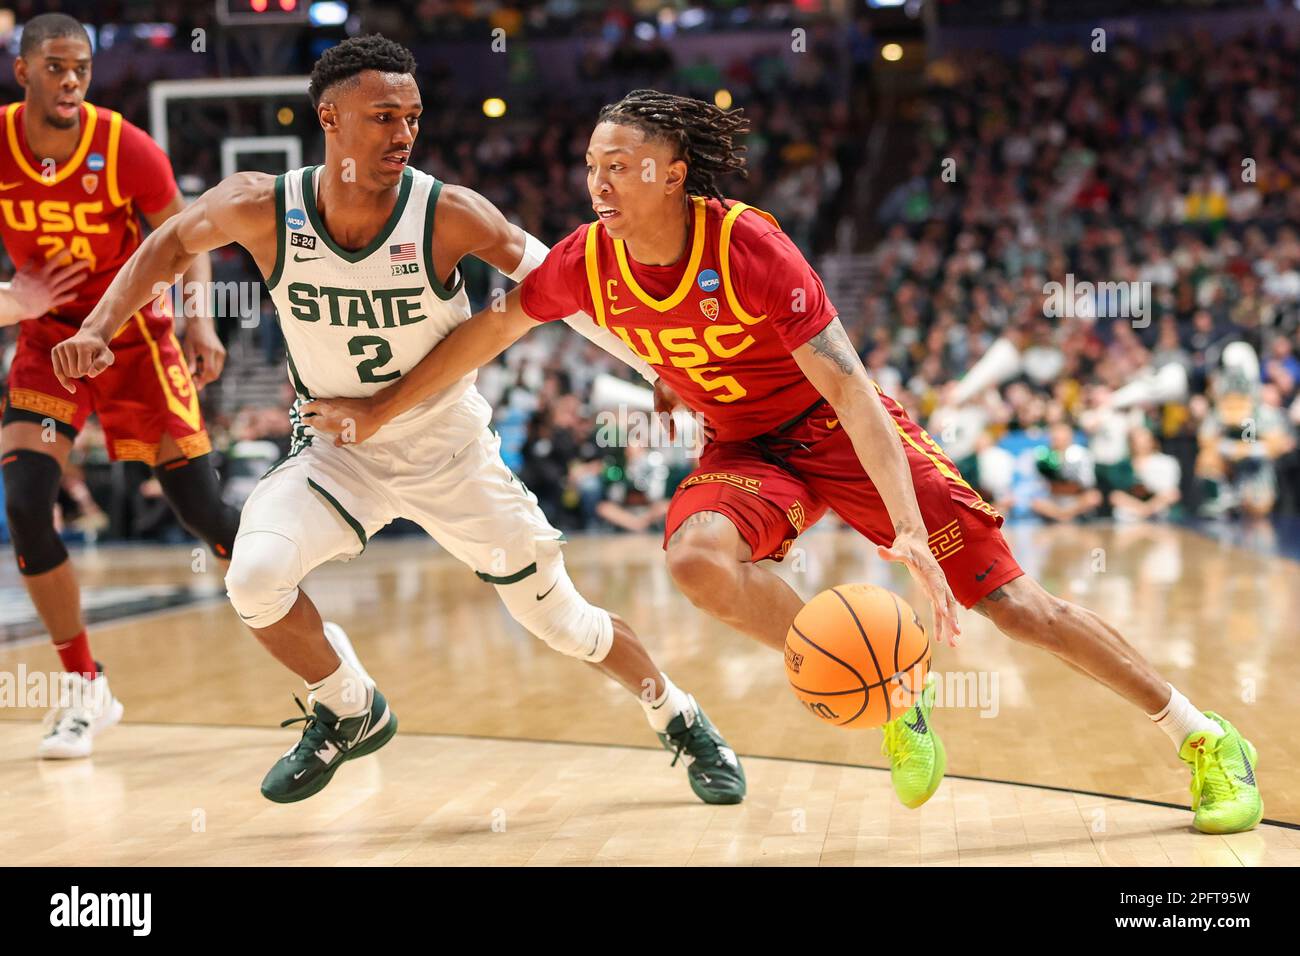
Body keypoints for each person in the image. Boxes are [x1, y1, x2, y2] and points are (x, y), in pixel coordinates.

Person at [303, 90, 1264, 834]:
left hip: (841, 430)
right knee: (693, 561)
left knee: (1015, 606)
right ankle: (889, 689)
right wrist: (378, 410)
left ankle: (1204, 738)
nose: (598, 181)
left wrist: (911, 542)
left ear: (675, 172)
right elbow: (485, 333)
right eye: (592, 164)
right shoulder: (585, 261)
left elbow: (851, 392)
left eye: (621, 164)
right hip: (749, 447)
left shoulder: (748, 242)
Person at [52, 39, 744, 806]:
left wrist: (658, 369)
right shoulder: (260, 204)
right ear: (330, 118)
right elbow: (166, 243)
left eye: (412, 118)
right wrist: (97, 326)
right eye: (384, 116)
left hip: (451, 454)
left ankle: (676, 714)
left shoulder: (446, 213)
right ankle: (349, 705)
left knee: (565, 625)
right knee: (251, 579)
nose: (403, 133)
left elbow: (564, 284)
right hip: (338, 453)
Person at [0, 14, 237, 758]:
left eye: (81, 69)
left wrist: (201, 322)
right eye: (56, 67)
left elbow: (187, 237)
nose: (71, 81)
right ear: (24, 72)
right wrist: (15, 301)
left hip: (132, 337)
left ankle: (317, 642)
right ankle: (85, 686)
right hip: (48, 341)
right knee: (26, 505)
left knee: (201, 508)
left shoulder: (124, 147)